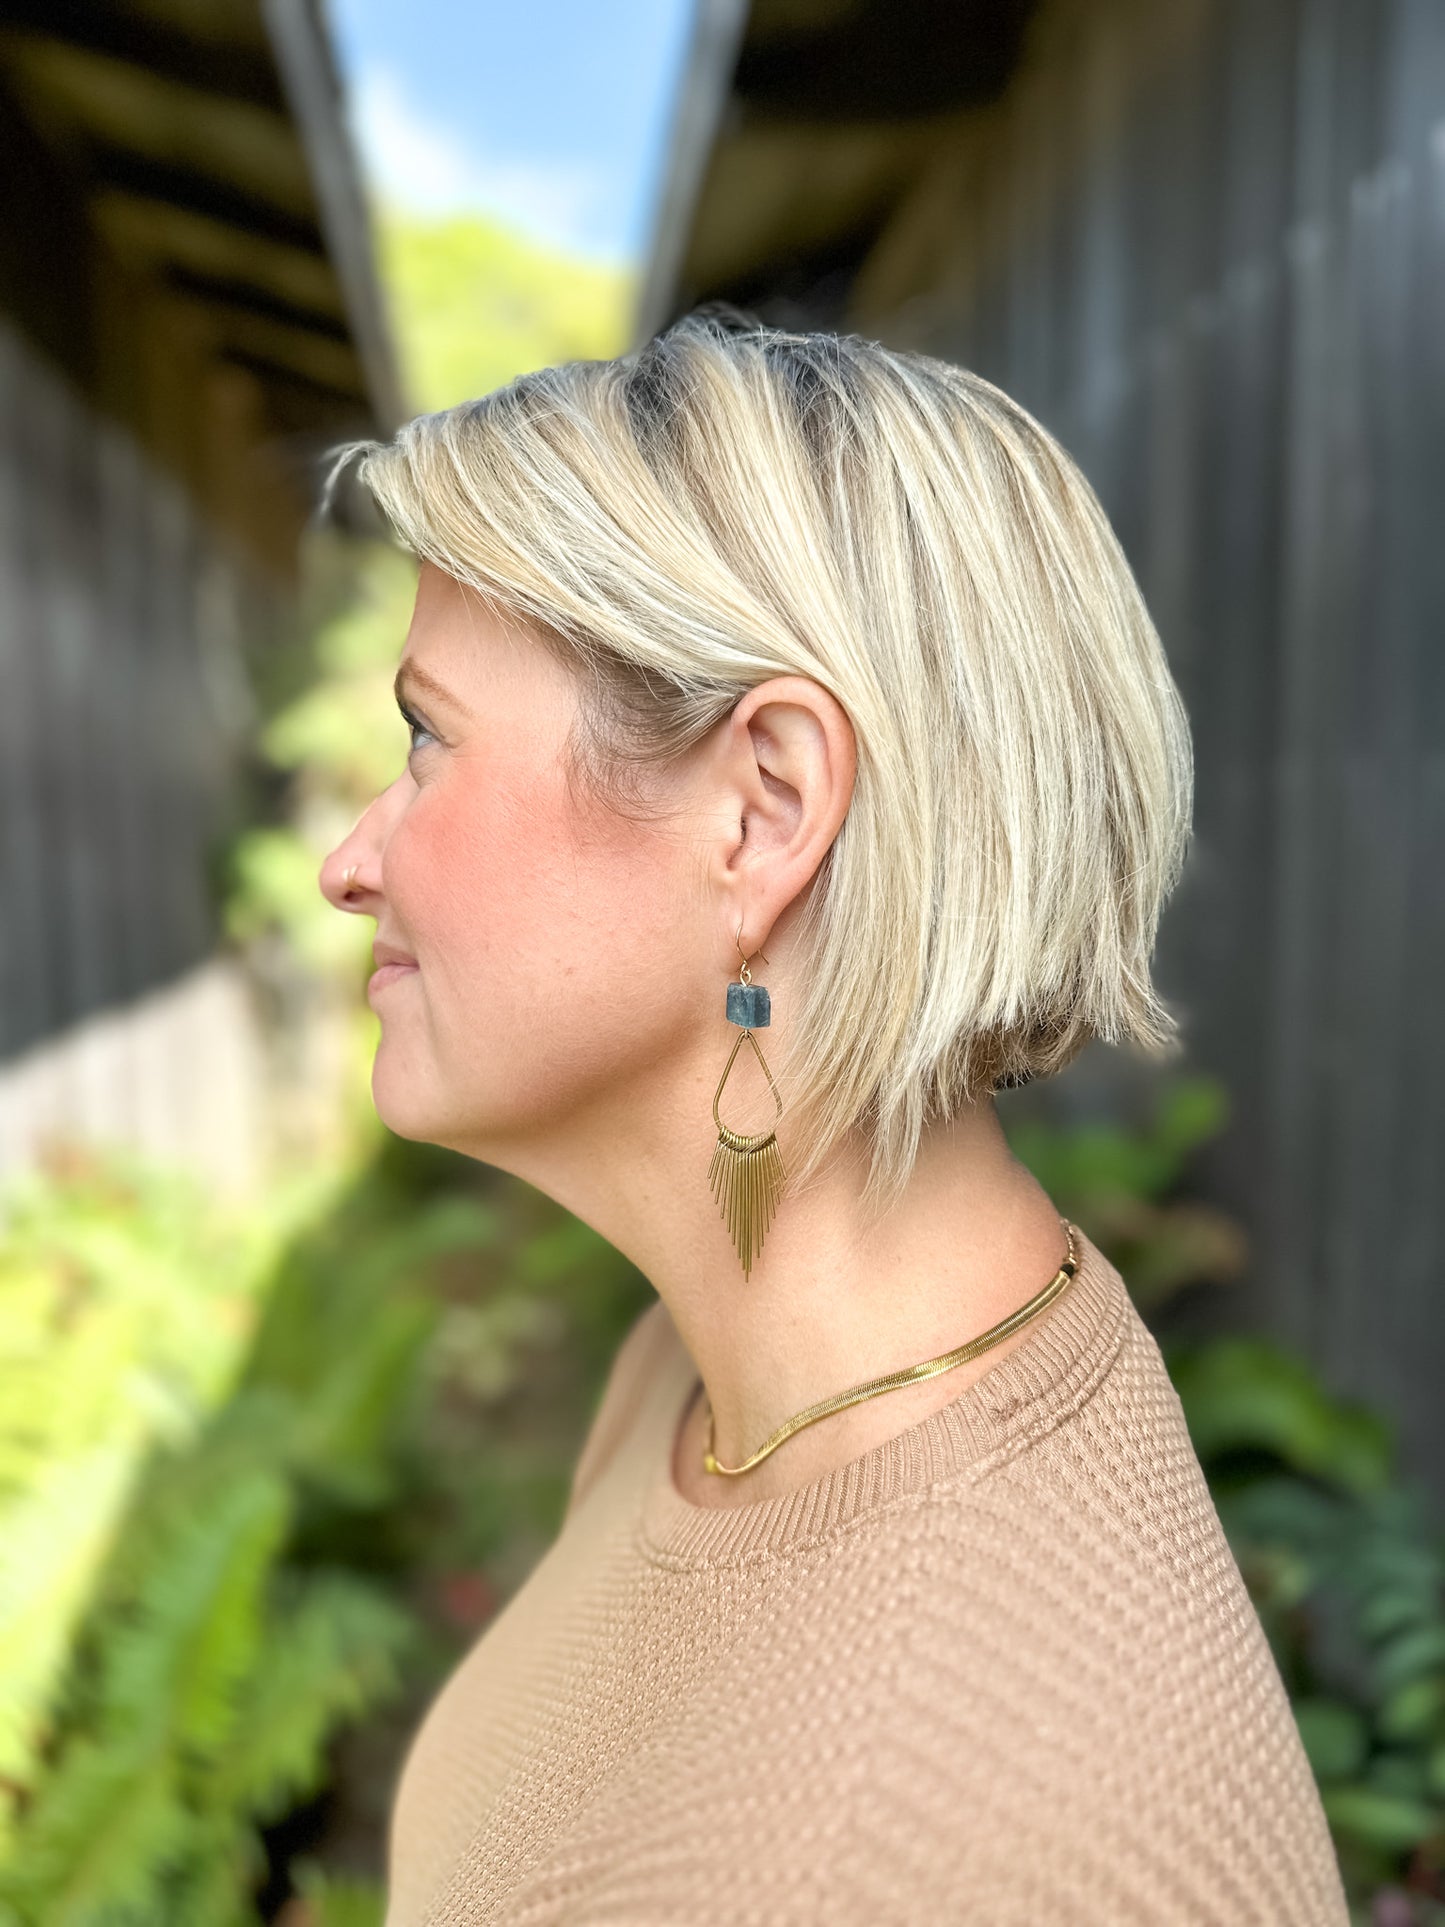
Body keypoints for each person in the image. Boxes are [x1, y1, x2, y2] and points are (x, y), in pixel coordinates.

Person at [319, 316, 1348, 1925]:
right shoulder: (708, 1384)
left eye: (427, 736)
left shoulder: (971, 1853)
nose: (349, 863)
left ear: (765, 810)